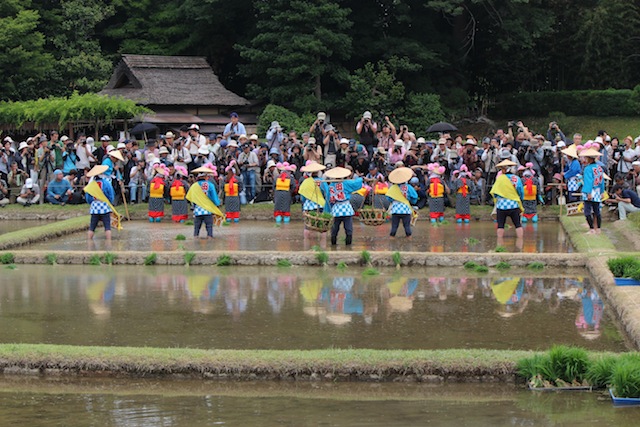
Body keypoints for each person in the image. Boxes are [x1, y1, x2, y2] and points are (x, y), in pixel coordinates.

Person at [323, 166, 363, 246]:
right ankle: (348, 245)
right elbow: (357, 183)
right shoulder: (346, 183)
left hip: (336, 209)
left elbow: (328, 199)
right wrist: (360, 177)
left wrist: (326, 212)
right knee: (348, 228)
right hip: (346, 208)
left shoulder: (331, 185)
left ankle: (333, 244)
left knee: (334, 229)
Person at [490, 159, 524, 242]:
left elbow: (494, 192)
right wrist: (519, 199)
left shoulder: (499, 179)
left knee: (500, 225)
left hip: (501, 205)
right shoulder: (516, 178)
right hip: (514, 204)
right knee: (518, 224)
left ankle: (499, 242)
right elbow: (520, 191)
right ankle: (520, 241)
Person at [187, 166, 222, 239]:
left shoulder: (194, 186)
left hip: (198, 209)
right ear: (206, 177)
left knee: (197, 226)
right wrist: (217, 204)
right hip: (208, 209)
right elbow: (214, 197)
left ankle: (196, 236)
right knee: (209, 225)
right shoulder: (210, 185)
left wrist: (193, 205)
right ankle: (209, 236)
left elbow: (190, 197)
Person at [84, 165, 115, 241]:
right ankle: (109, 243)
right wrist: (109, 203)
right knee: (107, 227)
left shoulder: (91, 185)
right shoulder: (106, 183)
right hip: (104, 206)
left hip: (94, 206)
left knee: (92, 227)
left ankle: (89, 242)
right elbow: (111, 195)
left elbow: (88, 197)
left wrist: (91, 203)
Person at [299, 161, 328, 238]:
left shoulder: (306, 182)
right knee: (322, 226)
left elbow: (303, 196)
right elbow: (326, 193)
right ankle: (323, 244)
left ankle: (307, 243)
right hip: (320, 204)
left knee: (307, 225)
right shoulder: (322, 181)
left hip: (308, 206)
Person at [387, 167, 418, 238]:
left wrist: (394, 200)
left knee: (394, 226)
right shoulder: (408, 187)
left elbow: (389, 198)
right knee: (407, 226)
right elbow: (414, 197)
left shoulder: (393, 188)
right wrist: (411, 201)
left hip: (395, 210)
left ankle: (392, 238)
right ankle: (409, 238)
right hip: (406, 209)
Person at [580, 148, 606, 234]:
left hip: (590, 191)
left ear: (589, 158)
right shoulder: (599, 168)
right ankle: (598, 228)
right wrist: (602, 191)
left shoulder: (587, 168)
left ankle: (591, 228)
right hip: (598, 190)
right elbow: (602, 180)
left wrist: (588, 192)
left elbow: (588, 181)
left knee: (587, 211)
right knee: (596, 210)